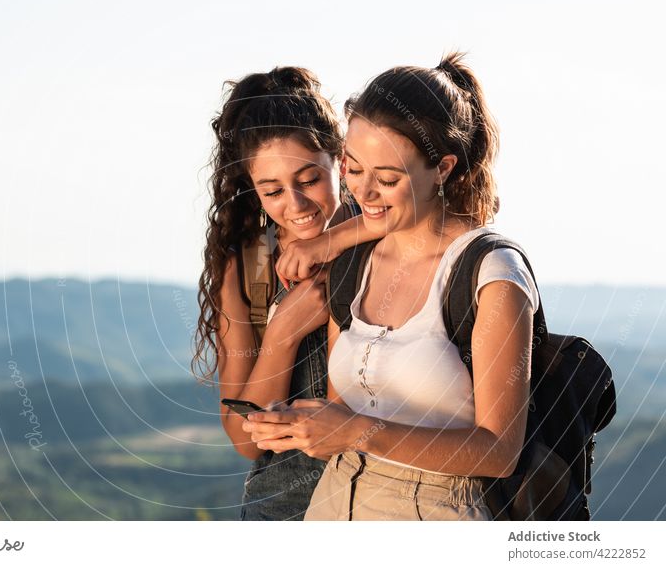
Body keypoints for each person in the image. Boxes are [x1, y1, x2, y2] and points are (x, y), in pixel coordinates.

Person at [242, 52, 541, 521]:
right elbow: (343, 412)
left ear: (442, 168)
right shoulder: (355, 261)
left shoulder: (491, 274)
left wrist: (360, 432)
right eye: (353, 169)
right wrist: (305, 429)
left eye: (386, 178)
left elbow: (498, 451)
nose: (362, 193)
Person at [191, 67, 381, 520]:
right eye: (272, 190)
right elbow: (243, 438)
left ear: (341, 159)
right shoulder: (246, 267)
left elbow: (443, 203)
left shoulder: (386, 235)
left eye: (309, 180)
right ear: (253, 191)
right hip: (280, 513)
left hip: (381, 504)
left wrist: (331, 244)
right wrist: (283, 330)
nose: (294, 205)